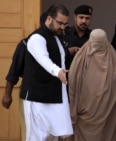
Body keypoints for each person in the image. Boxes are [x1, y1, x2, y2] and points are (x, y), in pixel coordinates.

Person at [20, 4, 73, 140]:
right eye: (60, 23)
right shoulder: (37, 38)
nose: (62, 27)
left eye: (65, 24)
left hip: (55, 95)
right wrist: (58, 72)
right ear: (49, 19)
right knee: (37, 137)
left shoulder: (57, 36)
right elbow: (44, 59)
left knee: (53, 136)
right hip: (37, 97)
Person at [68, 29, 116, 141]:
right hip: (84, 110)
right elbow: (73, 82)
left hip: (106, 112)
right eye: (94, 44)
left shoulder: (113, 60)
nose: (96, 48)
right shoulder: (80, 59)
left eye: (99, 45)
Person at [1, 12, 48, 141]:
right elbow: (14, 71)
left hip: (51, 94)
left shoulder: (58, 43)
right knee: (31, 131)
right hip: (30, 94)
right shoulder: (26, 44)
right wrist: (7, 94)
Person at [64, 4, 93, 69]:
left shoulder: (93, 37)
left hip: (86, 76)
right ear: (75, 17)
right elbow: (56, 54)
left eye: (87, 18)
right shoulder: (65, 34)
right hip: (66, 75)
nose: (84, 21)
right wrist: (68, 51)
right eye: (81, 17)